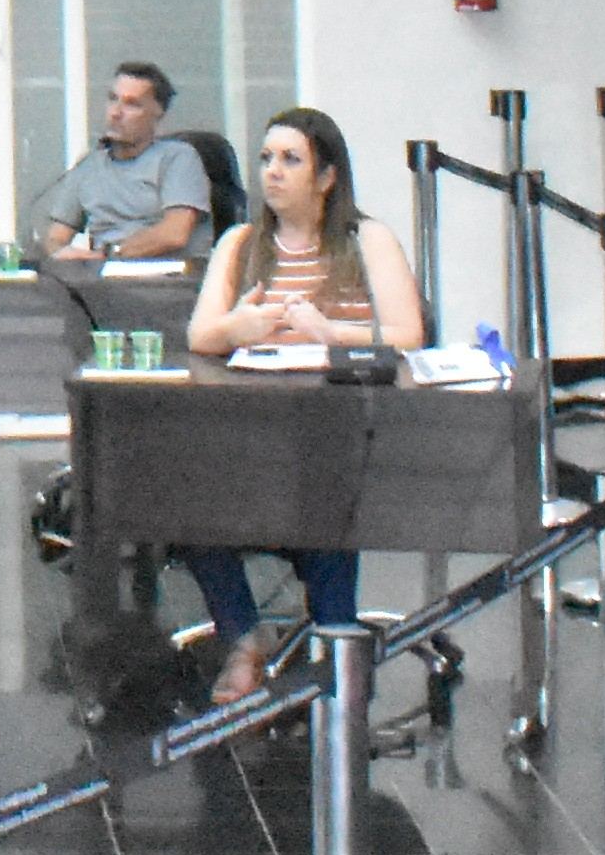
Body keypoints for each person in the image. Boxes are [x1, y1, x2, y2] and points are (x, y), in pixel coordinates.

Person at [171, 109, 426, 706]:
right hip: (253, 425)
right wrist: (239, 327)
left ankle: (335, 641)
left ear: (326, 176)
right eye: (266, 159)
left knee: (324, 479)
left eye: (291, 160)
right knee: (181, 487)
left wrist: (331, 332)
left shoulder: (367, 240)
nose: (273, 172)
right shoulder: (239, 243)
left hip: (343, 426)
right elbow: (201, 334)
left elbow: (409, 334)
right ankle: (244, 637)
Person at [34, 62, 217, 264]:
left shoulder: (178, 158)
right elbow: (56, 237)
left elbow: (174, 234)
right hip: (104, 275)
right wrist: (61, 252)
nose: (116, 113)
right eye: (113, 99)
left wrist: (111, 255)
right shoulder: (88, 166)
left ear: (158, 113)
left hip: (168, 275)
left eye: (132, 104)